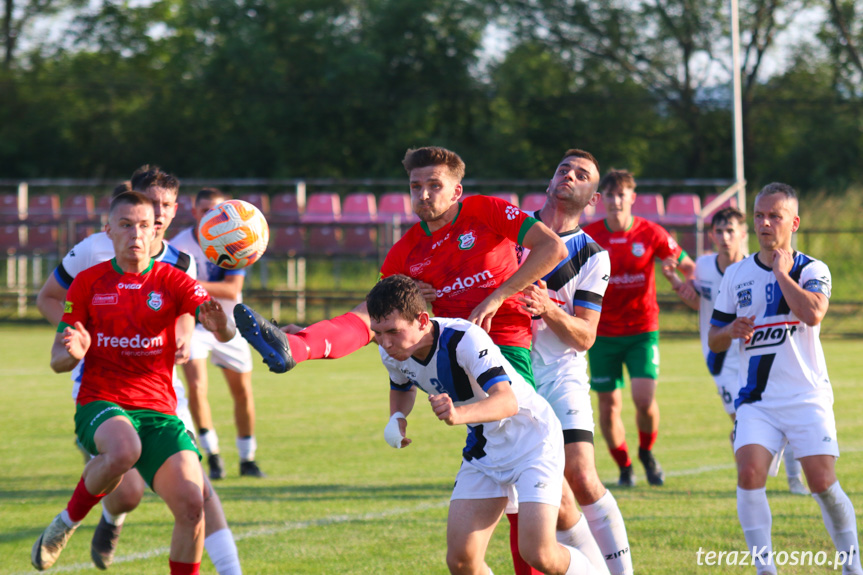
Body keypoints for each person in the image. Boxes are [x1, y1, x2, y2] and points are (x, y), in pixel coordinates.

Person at [234, 146, 569, 575]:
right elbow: (370, 316)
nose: (425, 194)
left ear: (457, 189)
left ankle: (590, 561)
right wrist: (303, 342)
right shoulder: (407, 252)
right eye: (416, 186)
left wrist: (499, 294)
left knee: (538, 493)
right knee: (522, 511)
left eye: (435, 185)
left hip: (504, 347)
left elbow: (552, 248)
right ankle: (295, 347)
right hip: (453, 360)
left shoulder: (486, 211)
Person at [36, 170, 242, 575]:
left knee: (191, 502)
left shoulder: (176, 276)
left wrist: (220, 324)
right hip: (102, 399)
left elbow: (216, 323)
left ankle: (112, 523)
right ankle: (66, 523)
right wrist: (73, 351)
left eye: (145, 226)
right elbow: (58, 360)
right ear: (108, 229)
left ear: (156, 231)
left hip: (159, 408)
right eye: (127, 225)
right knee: (124, 453)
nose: (136, 234)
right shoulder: (88, 283)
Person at [368, 275, 600, 575]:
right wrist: (397, 418)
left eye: (393, 332)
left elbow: (507, 401)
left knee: (538, 553)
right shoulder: (391, 352)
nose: (385, 343)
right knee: (462, 560)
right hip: (485, 450)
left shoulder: (463, 339)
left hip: (533, 442)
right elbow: (402, 387)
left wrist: (457, 415)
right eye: (378, 333)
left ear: (423, 320)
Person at [708, 183, 862, 575]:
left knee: (822, 484)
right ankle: (766, 570)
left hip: (806, 397)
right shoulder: (737, 274)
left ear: (793, 222)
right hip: (757, 400)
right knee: (749, 473)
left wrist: (781, 275)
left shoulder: (812, 269)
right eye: (759, 215)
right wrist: (731, 332)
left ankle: (852, 564)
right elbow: (714, 337)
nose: (764, 222)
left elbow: (813, 314)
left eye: (774, 216)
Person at [518, 150, 632, 575]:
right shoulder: (512, 232)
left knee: (581, 476)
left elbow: (586, 336)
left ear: (592, 199)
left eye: (582, 174)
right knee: (548, 495)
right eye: (563, 169)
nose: (569, 175)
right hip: (508, 375)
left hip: (560, 375)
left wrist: (548, 308)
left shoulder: (592, 256)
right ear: (549, 181)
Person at [665, 206, 808, 495]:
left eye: (731, 231)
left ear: (743, 234)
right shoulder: (703, 266)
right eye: (719, 231)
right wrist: (678, 284)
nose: (725, 236)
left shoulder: (752, 269)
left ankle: (792, 481)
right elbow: (699, 303)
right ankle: (752, 482)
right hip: (720, 358)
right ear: (712, 235)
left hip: (753, 355)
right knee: (743, 421)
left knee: (781, 412)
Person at [583, 170, 695, 487]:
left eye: (622, 195)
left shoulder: (651, 233)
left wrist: (685, 281)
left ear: (632, 198)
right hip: (601, 333)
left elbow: (688, 266)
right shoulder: (589, 237)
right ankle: (625, 466)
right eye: (609, 195)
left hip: (642, 330)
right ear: (599, 199)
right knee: (608, 407)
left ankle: (646, 453)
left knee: (644, 399)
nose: (616, 201)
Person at [170, 187, 264, 479]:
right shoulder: (177, 246)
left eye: (219, 211)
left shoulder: (237, 238)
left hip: (229, 323)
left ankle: (248, 458)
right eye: (206, 210)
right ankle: (212, 455)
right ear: (195, 212)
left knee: (242, 392)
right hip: (193, 323)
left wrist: (187, 282)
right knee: (197, 387)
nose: (213, 216)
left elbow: (232, 289)